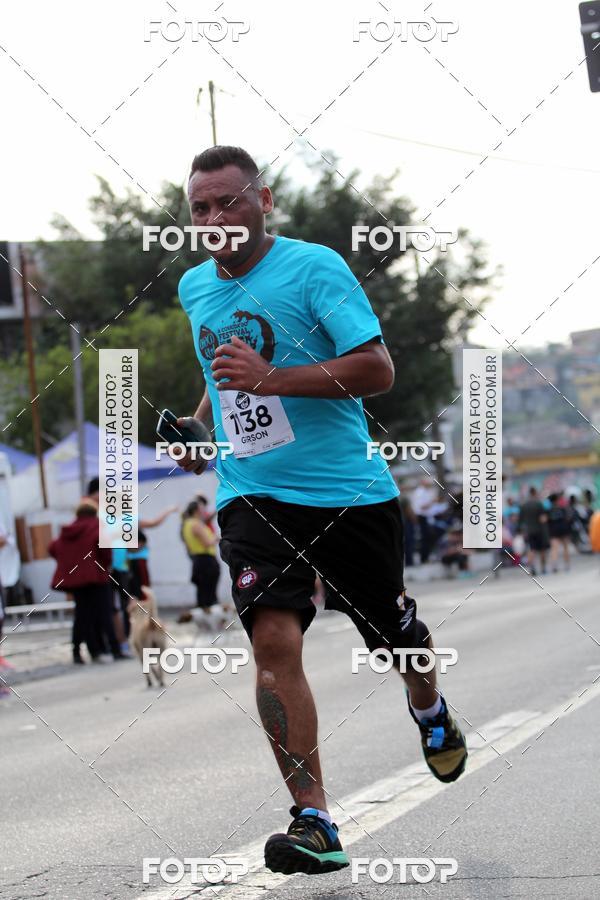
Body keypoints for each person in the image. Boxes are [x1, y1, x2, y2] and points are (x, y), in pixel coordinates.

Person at [175, 145, 467, 876]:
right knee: (273, 642)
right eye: (200, 208)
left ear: (264, 201)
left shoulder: (315, 268)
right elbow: (221, 370)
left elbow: (377, 368)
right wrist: (199, 430)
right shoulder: (193, 287)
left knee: (396, 641)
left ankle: (429, 709)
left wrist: (273, 378)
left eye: (228, 202)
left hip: (346, 494)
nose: (213, 219)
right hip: (252, 493)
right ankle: (314, 819)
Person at [48, 501, 125, 662]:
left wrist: (70, 563)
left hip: (77, 581)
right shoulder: (97, 527)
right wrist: (105, 565)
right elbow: (106, 551)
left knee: (82, 616)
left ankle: (78, 652)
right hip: (97, 577)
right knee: (105, 613)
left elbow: (53, 548)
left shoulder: (69, 530)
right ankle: (115, 650)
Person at [180, 499, 220, 610]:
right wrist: (216, 537)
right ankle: (210, 616)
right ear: (196, 510)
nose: (204, 510)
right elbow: (207, 543)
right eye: (202, 508)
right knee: (209, 595)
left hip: (197, 560)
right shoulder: (196, 524)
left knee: (202, 593)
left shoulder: (186, 523)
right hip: (206, 560)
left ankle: (203, 616)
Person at [518, 486, 550, 576]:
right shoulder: (539, 504)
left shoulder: (524, 505)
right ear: (535, 493)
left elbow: (520, 520)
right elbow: (543, 518)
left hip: (529, 531)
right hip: (539, 530)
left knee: (531, 549)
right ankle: (543, 568)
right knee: (542, 550)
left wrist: (521, 531)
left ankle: (532, 567)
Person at [411, 478, 438, 563]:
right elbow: (421, 507)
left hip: (425, 517)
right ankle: (424, 557)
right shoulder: (420, 492)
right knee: (425, 538)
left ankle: (426, 556)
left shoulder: (424, 492)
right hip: (422, 517)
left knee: (427, 537)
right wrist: (432, 502)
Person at [547, 493, 571, 573]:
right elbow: (567, 518)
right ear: (557, 500)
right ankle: (567, 565)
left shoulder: (548, 511)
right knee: (565, 547)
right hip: (563, 529)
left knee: (554, 548)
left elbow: (546, 521)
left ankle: (555, 566)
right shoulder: (562, 509)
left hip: (553, 530)